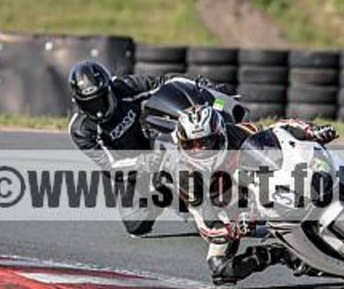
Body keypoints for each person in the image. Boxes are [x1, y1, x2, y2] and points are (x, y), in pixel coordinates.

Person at [172, 101, 338, 285]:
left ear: (220, 135)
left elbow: (278, 129)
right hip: (231, 213)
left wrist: (310, 130)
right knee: (221, 270)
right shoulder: (185, 176)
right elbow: (204, 223)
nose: (200, 150)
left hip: (264, 182)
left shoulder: (237, 133)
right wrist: (231, 229)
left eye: (206, 142)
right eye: (191, 145)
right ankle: (279, 254)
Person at [67, 59, 236, 237]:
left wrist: (201, 85)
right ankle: (169, 195)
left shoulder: (125, 87)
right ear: (77, 102)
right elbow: (110, 165)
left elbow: (166, 82)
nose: (98, 111)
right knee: (136, 225)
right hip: (127, 168)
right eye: (89, 105)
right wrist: (144, 162)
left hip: (153, 141)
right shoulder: (81, 130)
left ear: (109, 90)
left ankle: (207, 211)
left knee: (175, 153)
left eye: (100, 101)